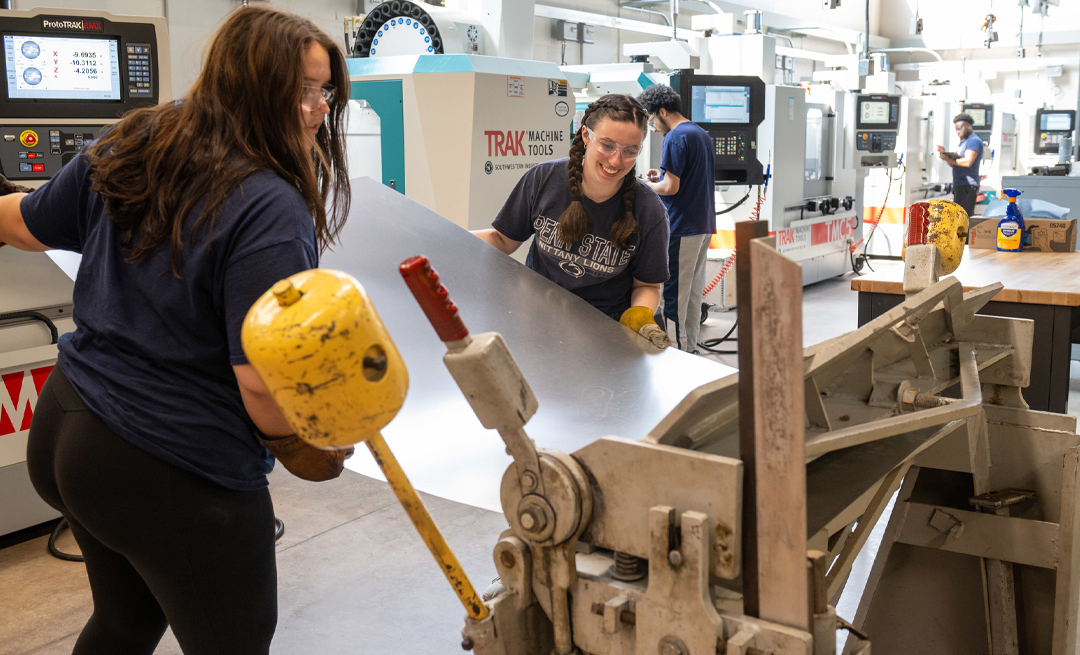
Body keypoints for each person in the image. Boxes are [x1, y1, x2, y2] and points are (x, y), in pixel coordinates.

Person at [0, 6, 351, 654]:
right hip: (172, 462)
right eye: (304, 90)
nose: (319, 108)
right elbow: (261, 384)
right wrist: (308, 449)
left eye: (324, 90)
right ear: (254, 85)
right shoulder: (271, 206)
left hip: (67, 429)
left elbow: (21, 223)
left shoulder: (135, 139)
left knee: (125, 623)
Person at [473, 94, 670, 346]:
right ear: (586, 135)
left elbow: (647, 285)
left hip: (605, 337)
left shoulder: (649, 211)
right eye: (607, 145)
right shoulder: (543, 179)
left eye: (630, 151)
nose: (615, 160)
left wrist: (640, 316)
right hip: (538, 322)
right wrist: (443, 237)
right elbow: (502, 239)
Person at [637, 83, 716, 353]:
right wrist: (659, 177)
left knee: (673, 299)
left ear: (661, 111)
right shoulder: (699, 133)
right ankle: (691, 351)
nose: (653, 129)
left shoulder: (675, 137)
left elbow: (671, 188)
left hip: (682, 228)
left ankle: (677, 356)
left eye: (651, 121)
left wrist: (645, 186)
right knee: (693, 296)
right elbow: (683, 179)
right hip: (703, 226)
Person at [937, 112, 983, 218]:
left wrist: (951, 160)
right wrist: (946, 157)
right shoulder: (964, 142)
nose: (958, 132)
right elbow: (956, 164)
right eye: (956, 130)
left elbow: (967, 162)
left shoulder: (973, 141)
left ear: (968, 126)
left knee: (963, 218)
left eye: (960, 128)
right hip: (960, 184)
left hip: (968, 186)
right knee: (959, 217)